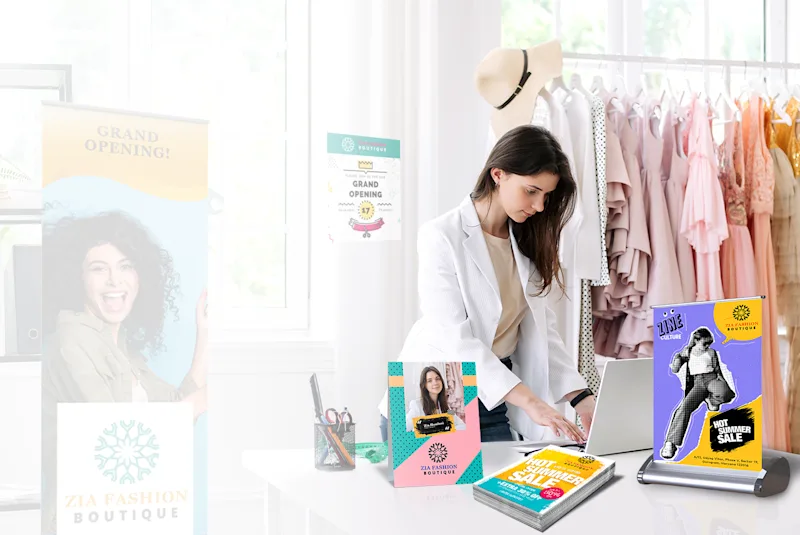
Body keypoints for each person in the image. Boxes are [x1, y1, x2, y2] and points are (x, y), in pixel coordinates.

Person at [381, 124, 596, 443]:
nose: (539, 206)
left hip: (497, 393)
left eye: (546, 196)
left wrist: (582, 398)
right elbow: (453, 337)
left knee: (507, 475)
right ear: (498, 174)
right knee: (442, 480)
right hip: (435, 393)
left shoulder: (527, 241)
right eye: (531, 191)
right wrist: (530, 402)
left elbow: (542, 330)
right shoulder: (441, 236)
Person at [40, 211, 207, 533]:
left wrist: (205, 336)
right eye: (98, 268)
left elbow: (175, 413)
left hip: (128, 514)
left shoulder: (122, 349)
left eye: (126, 266)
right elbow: (116, 435)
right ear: (77, 278)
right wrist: (201, 401)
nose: (114, 281)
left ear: (141, 277)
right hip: (87, 521)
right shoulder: (70, 341)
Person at [661, 327, 736, 459]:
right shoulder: (688, 352)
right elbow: (675, 369)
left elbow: (718, 370)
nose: (707, 346)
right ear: (696, 340)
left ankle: (711, 399)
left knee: (727, 394)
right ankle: (670, 443)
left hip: (711, 378)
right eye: (705, 343)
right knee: (684, 408)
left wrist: (724, 386)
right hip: (697, 383)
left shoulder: (711, 352)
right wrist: (677, 358)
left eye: (709, 343)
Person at [406, 366, 467, 432]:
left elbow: (462, 425)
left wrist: (446, 430)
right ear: (424, 385)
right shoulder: (417, 406)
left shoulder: (447, 407)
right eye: (429, 380)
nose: (435, 382)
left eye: (437, 379)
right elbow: (404, 428)